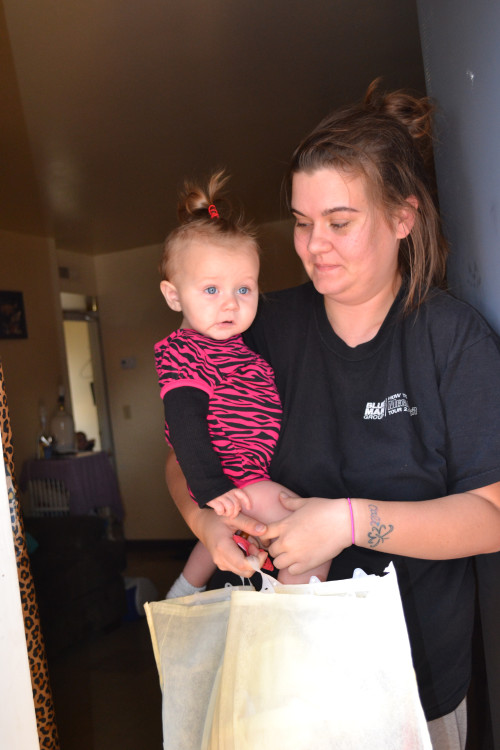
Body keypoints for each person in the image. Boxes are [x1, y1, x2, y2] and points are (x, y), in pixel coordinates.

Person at [165, 80, 500, 749]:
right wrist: (208, 522)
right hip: (281, 676)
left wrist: (346, 521)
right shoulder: (260, 326)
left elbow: (491, 517)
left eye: (340, 222)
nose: (315, 244)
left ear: (403, 216)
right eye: (301, 221)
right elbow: (183, 454)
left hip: (415, 687)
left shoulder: (450, 339)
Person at [155, 170, 331, 598]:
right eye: (211, 289)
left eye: (244, 289)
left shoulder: (243, 350)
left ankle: (184, 589)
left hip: (244, 476)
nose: (230, 303)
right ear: (174, 296)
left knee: (223, 541)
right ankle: (289, 612)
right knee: (309, 539)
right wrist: (214, 491)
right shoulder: (185, 352)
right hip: (235, 478)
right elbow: (185, 427)